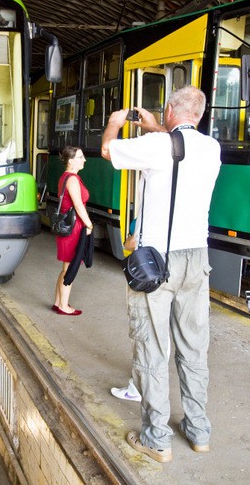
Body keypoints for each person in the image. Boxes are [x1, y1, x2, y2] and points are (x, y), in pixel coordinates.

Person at [101, 86, 221, 463]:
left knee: (152, 346)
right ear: (199, 116)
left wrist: (113, 124)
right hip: (197, 260)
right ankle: (199, 431)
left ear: (169, 109)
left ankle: (156, 437)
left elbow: (108, 151)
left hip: (157, 261)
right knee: (193, 347)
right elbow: (175, 146)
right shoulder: (212, 147)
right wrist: (156, 127)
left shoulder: (156, 146)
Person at [52, 146, 93, 316]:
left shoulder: (65, 177)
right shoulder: (73, 179)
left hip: (69, 225)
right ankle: (63, 306)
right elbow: (77, 205)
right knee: (70, 268)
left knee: (66, 267)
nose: (84, 160)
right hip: (74, 227)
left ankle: (57, 302)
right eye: (80, 157)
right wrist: (89, 224)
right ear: (71, 161)